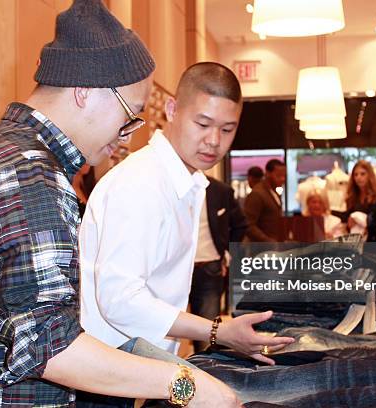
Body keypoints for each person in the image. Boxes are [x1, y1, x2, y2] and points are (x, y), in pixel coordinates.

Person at [0, 2, 240, 407]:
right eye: (129, 116)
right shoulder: (28, 173)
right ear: (86, 91)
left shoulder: (1, 149)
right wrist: (186, 383)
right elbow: (51, 348)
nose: (126, 136)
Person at [80, 62, 295, 366]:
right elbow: (119, 300)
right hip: (107, 370)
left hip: (139, 363)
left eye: (227, 129)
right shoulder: (142, 183)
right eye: (202, 124)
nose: (214, 140)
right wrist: (216, 330)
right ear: (171, 109)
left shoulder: (188, 183)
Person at [190, 176, 248, 351]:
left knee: (207, 330)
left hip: (209, 266)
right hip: (170, 271)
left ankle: (205, 371)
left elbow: (240, 225)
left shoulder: (219, 190)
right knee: (165, 329)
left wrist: (227, 253)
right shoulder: (163, 185)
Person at [244, 158, 286, 242]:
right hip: (261, 249)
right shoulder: (257, 194)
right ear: (267, 174)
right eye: (278, 176)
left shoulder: (274, 192)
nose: (282, 179)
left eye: (284, 176)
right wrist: (268, 241)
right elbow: (248, 225)